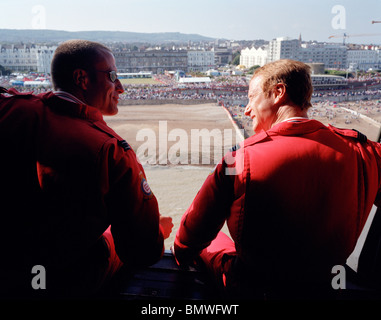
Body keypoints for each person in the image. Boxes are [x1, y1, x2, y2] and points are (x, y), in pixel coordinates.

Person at [173, 59, 381, 299]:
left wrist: (179, 255)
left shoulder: (239, 159)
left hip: (255, 291)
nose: (246, 109)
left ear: (278, 93)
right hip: (329, 286)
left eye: (251, 97)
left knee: (212, 242)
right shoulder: (365, 152)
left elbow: (191, 236)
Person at [0, 40, 173, 298]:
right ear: (82, 78)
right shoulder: (111, 150)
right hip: (58, 283)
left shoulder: (11, 109)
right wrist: (157, 230)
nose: (121, 88)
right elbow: (141, 251)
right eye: (113, 76)